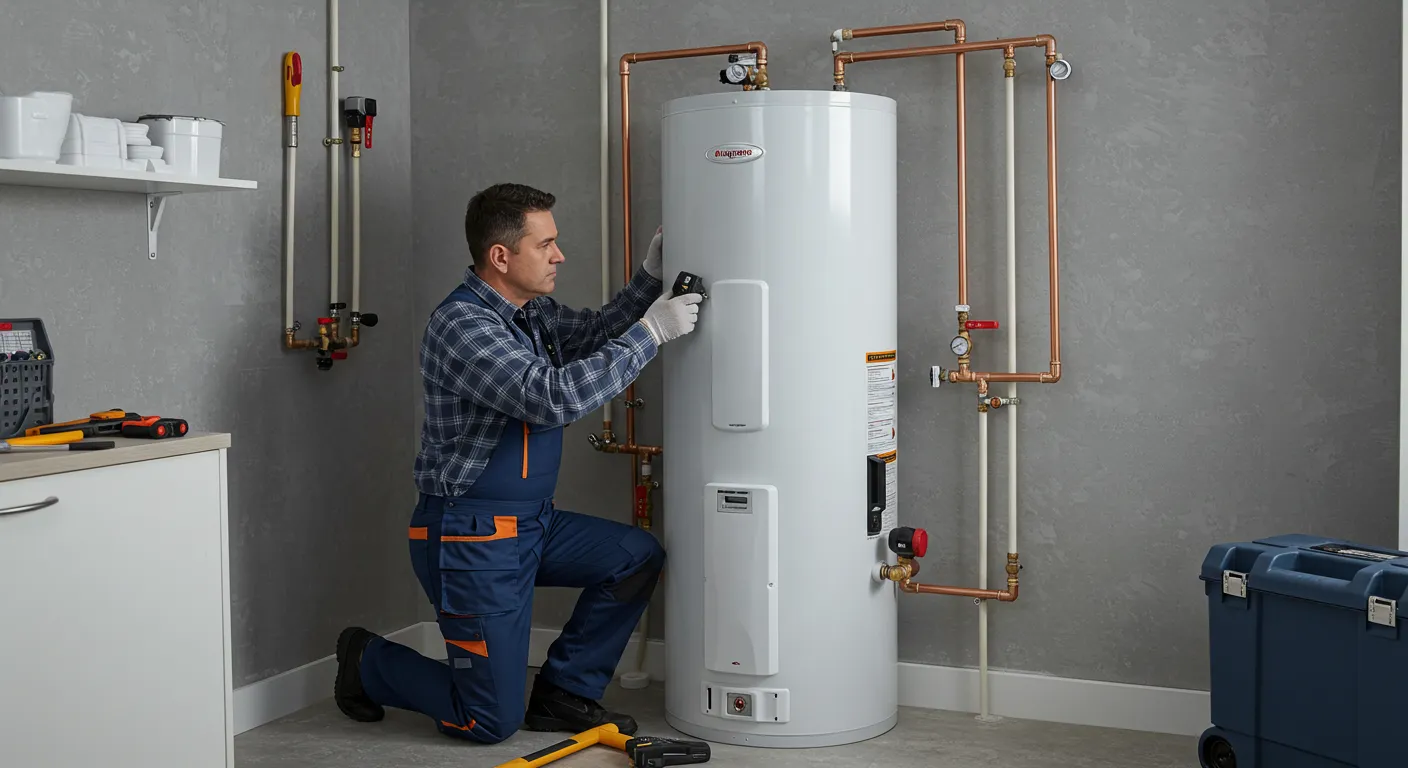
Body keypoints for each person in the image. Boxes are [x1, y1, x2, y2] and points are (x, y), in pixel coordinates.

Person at [331, 183, 702, 744]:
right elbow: (551, 397)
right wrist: (652, 332)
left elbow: (597, 332)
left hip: (531, 524)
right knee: (487, 721)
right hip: (470, 535)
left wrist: (648, 283)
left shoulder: (532, 315)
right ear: (501, 256)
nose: (559, 255)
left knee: (635, 555)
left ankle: (564, 694)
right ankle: (366, 661)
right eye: (546, 244)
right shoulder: (463, 326)